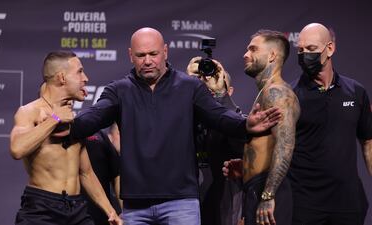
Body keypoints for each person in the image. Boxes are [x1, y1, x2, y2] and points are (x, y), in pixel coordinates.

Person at [70, 27, 281, 225]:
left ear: (165, 51)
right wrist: (61, 123)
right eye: (141, 55)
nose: (148, 61)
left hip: (181, 203)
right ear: (130, 55)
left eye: (153, 54)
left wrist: (245, 125)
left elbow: (218, 116)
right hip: (135, 205)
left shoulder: (189, 86)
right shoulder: (119, 90)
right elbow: (94, 116)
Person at [10, 51, 122, 225]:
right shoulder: (30, 112)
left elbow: (86, 173)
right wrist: (55, 119)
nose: (85, 78)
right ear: (62, 77)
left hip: (76, 209)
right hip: (41, 209)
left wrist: (111, 211)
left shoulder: (73, 120)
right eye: (79, 72)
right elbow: (17, 149)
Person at [288, 22, 372, 225]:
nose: (304, 55)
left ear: (330, 49)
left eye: (311, 49)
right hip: (305, 204)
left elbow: (368, 142)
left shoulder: (356, 92)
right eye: (300, 50)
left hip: (348, 203)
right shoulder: (290, 96)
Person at [223, 29, 300, 225]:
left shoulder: (277, 92)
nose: (245, 54)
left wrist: (268, 195)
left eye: (253, 49)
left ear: (272, 55)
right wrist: (246, 168)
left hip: (268, 191)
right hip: (257, 188)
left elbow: (285, 144)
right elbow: (267, 144)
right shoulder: (266, 92)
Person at [187, 57, 245, 225]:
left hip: (224, 199)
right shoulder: (179, 119)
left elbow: (239, 140)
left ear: (229, 90)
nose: (204, 84)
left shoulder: (238, 119)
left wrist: (220, 96)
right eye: (196, 79)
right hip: (186, 200)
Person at [83, 128, 122, 225]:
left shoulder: (99, 136)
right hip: (62, 212)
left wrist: (123, 211)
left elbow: (116, 174)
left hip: (102, 214)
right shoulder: (46, 130)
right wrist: (55, 118)